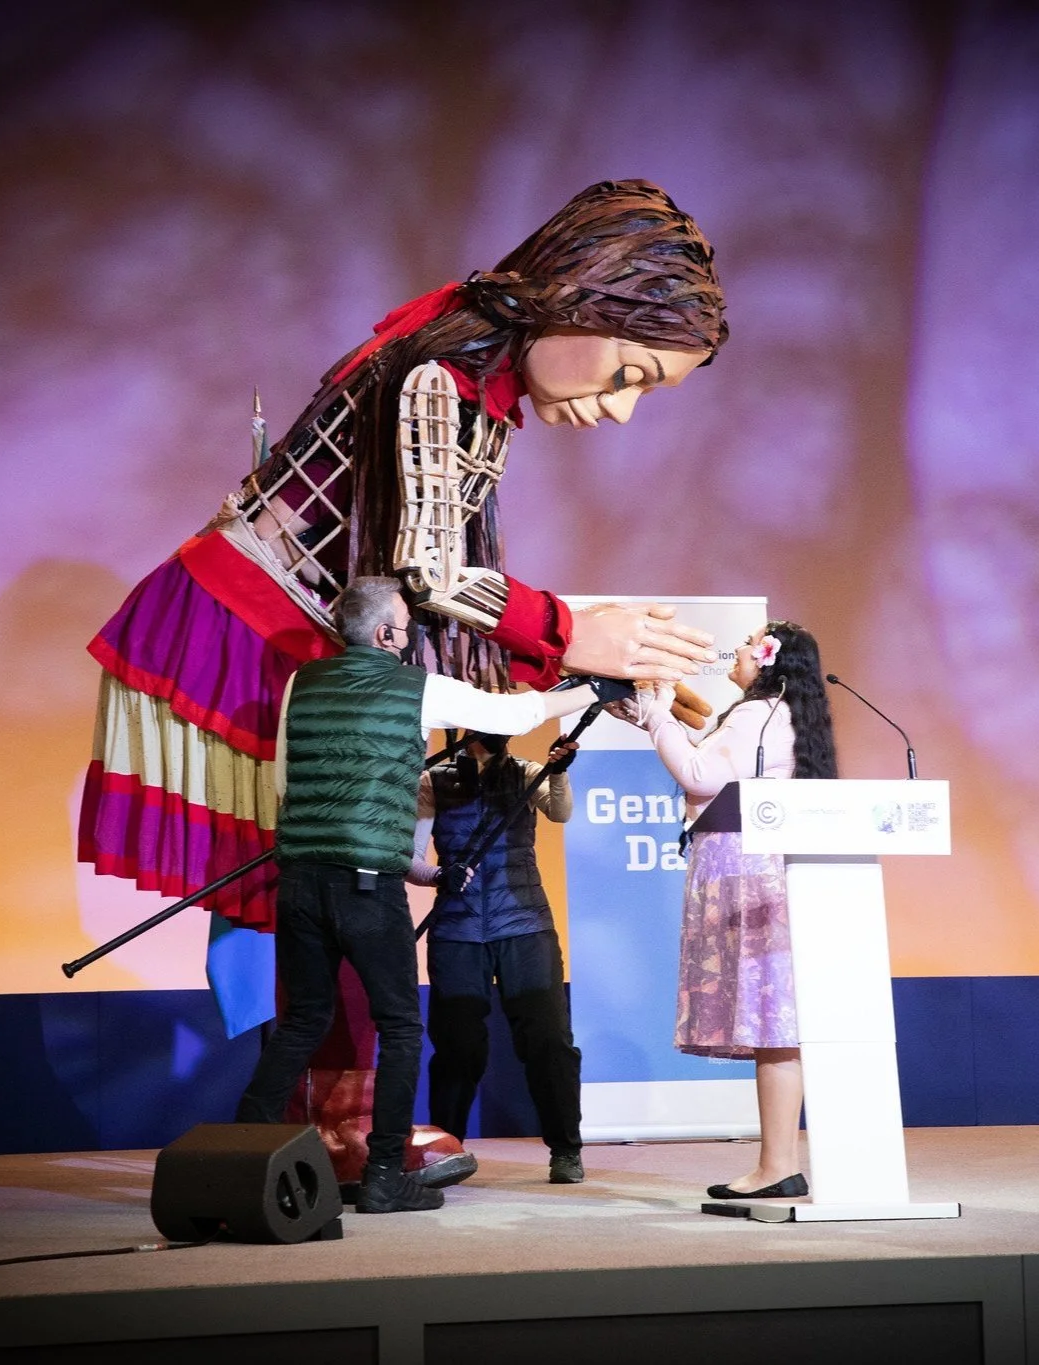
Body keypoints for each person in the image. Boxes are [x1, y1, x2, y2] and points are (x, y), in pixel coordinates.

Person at [75, 180, 728, 1177]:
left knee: (324, 883)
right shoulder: (442, 373)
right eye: (630, 371)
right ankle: (335, 1129)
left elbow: (422, 585)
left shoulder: (470, 362)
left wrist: (579, 656)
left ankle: (324, 1124)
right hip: (253, 632)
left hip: (285, 634)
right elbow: (426, 573)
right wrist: (571, 632)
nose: (625, 410)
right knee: (338, 880)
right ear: (582, 301)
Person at [233, 579, 605, 1213]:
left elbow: (284, 784)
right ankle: (384, 1177)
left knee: (300, 1024)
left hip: (299, 879)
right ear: (384, 635)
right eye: (405, 627)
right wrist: (594, 684)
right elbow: (514, 715)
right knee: (403, 1028)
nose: (409, 639)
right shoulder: (414, 688)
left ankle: (242, 1164)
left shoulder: (302, 684)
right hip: (365, 883)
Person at [620, 622, 838, 1199]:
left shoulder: (757, 714)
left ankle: (776, 1166)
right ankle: (779, 1164)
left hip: (742, 873)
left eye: (746, 643)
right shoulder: (789, 717)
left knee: (773, 1029)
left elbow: (699, 774)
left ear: (769, 659)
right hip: (772, 873)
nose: (735, 651)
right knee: (777, 1029)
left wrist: (656, 718)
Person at [409, 732, 586, 1184]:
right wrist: (438, 875)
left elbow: (559, 811)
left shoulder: (527, 771)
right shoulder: (433, 778)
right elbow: (410, 859)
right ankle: (445, 1151)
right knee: (457, 1046)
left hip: (525, 925)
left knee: (548, 1040)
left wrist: (559, 771)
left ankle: (566, 1149)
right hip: (457, 929)